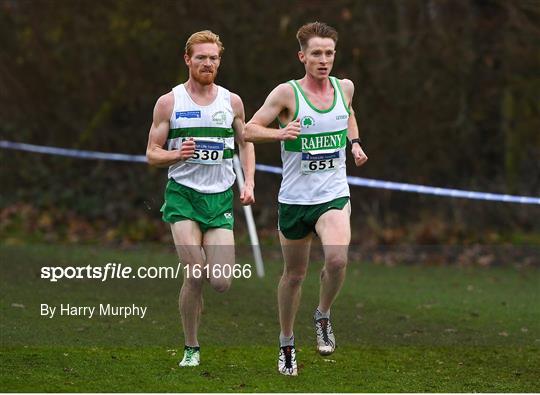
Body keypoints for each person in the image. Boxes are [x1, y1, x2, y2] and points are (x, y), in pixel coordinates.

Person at [244, 22, 367, 376]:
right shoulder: (286, 94)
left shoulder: (345, 88)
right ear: (302, 56)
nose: (324, 59)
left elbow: (349, 117)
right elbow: (248, 130)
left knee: (338, 259)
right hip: (296, 200)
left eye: (329, 53)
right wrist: (281, 132)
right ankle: (286, 342)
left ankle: (323, 315)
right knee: (294, 276)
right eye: (316, 53)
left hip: (333, 194)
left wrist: (354, 144)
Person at [146, 30, 255, 367]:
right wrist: (176, 156)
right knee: (195, 273)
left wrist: (248, 181)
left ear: (219, 62)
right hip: (183, 197)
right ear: (187, 60)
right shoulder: (170, 102)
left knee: (220, 281)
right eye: (201, 57)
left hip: (220, 198)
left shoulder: (232, 102)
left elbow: (246, 141)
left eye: (213, 58)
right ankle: (191, 346)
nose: (207, 63)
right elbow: (151, 153)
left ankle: (196, 297)